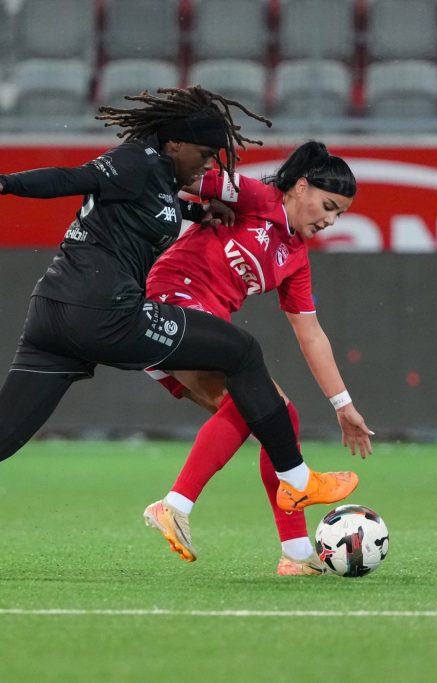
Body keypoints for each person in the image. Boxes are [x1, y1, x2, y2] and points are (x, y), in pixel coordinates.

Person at [0, 87, 359, 578]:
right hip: (106, 313)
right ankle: (291, 481)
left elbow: (156, 205)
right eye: (204, 154)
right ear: (175, 143)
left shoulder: (160, 183)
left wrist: (198, 209)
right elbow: (73, 177)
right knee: (243, 351)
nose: (209, 166)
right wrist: (5, 183)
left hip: (55, 316)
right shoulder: (138, 161)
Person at [139, 141, 374, 576]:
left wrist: (343, 405)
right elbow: (179, 174)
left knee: (275, 415)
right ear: (300, 187)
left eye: (339, 215)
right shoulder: (255, 197)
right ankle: (175, 504)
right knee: (262, 404)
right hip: (170, 303)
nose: (329, 220)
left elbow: (311, 334)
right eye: (327, 206)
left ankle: (297, 554)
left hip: (196, 324)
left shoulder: (296, 258)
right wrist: (195, 205)